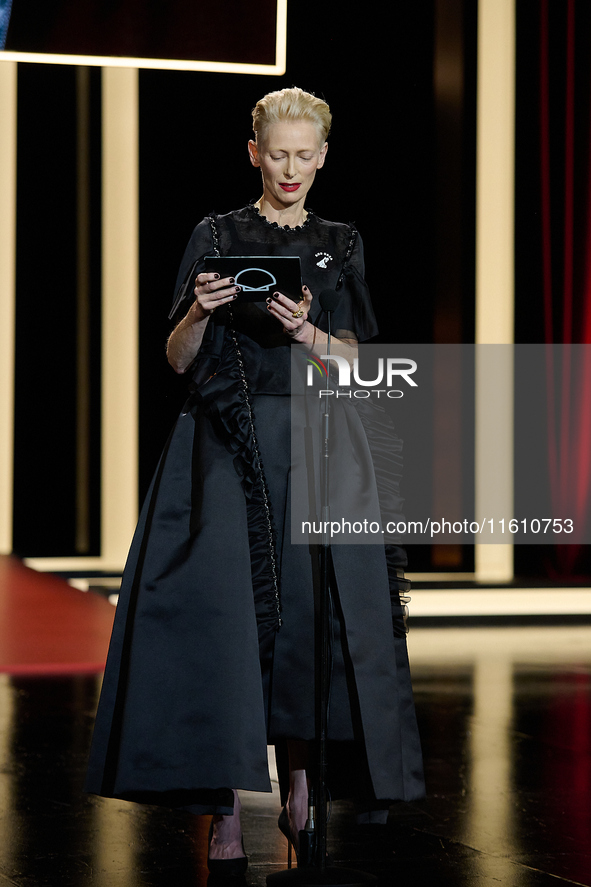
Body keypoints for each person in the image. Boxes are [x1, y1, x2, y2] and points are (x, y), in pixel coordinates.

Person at [85, 87, 424, 874]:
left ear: (324, 156)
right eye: (279, 154)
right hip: (221, 452)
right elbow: (175, 359)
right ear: (254, 154)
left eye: (306, 155)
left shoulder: (340, 242)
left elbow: (357, 363)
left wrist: (305, 328)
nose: (292, 168)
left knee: (309, 623)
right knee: (221, 627)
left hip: (316, 448)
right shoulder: (216, 232)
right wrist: (199, 312)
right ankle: (225, 806)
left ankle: (301, 790)